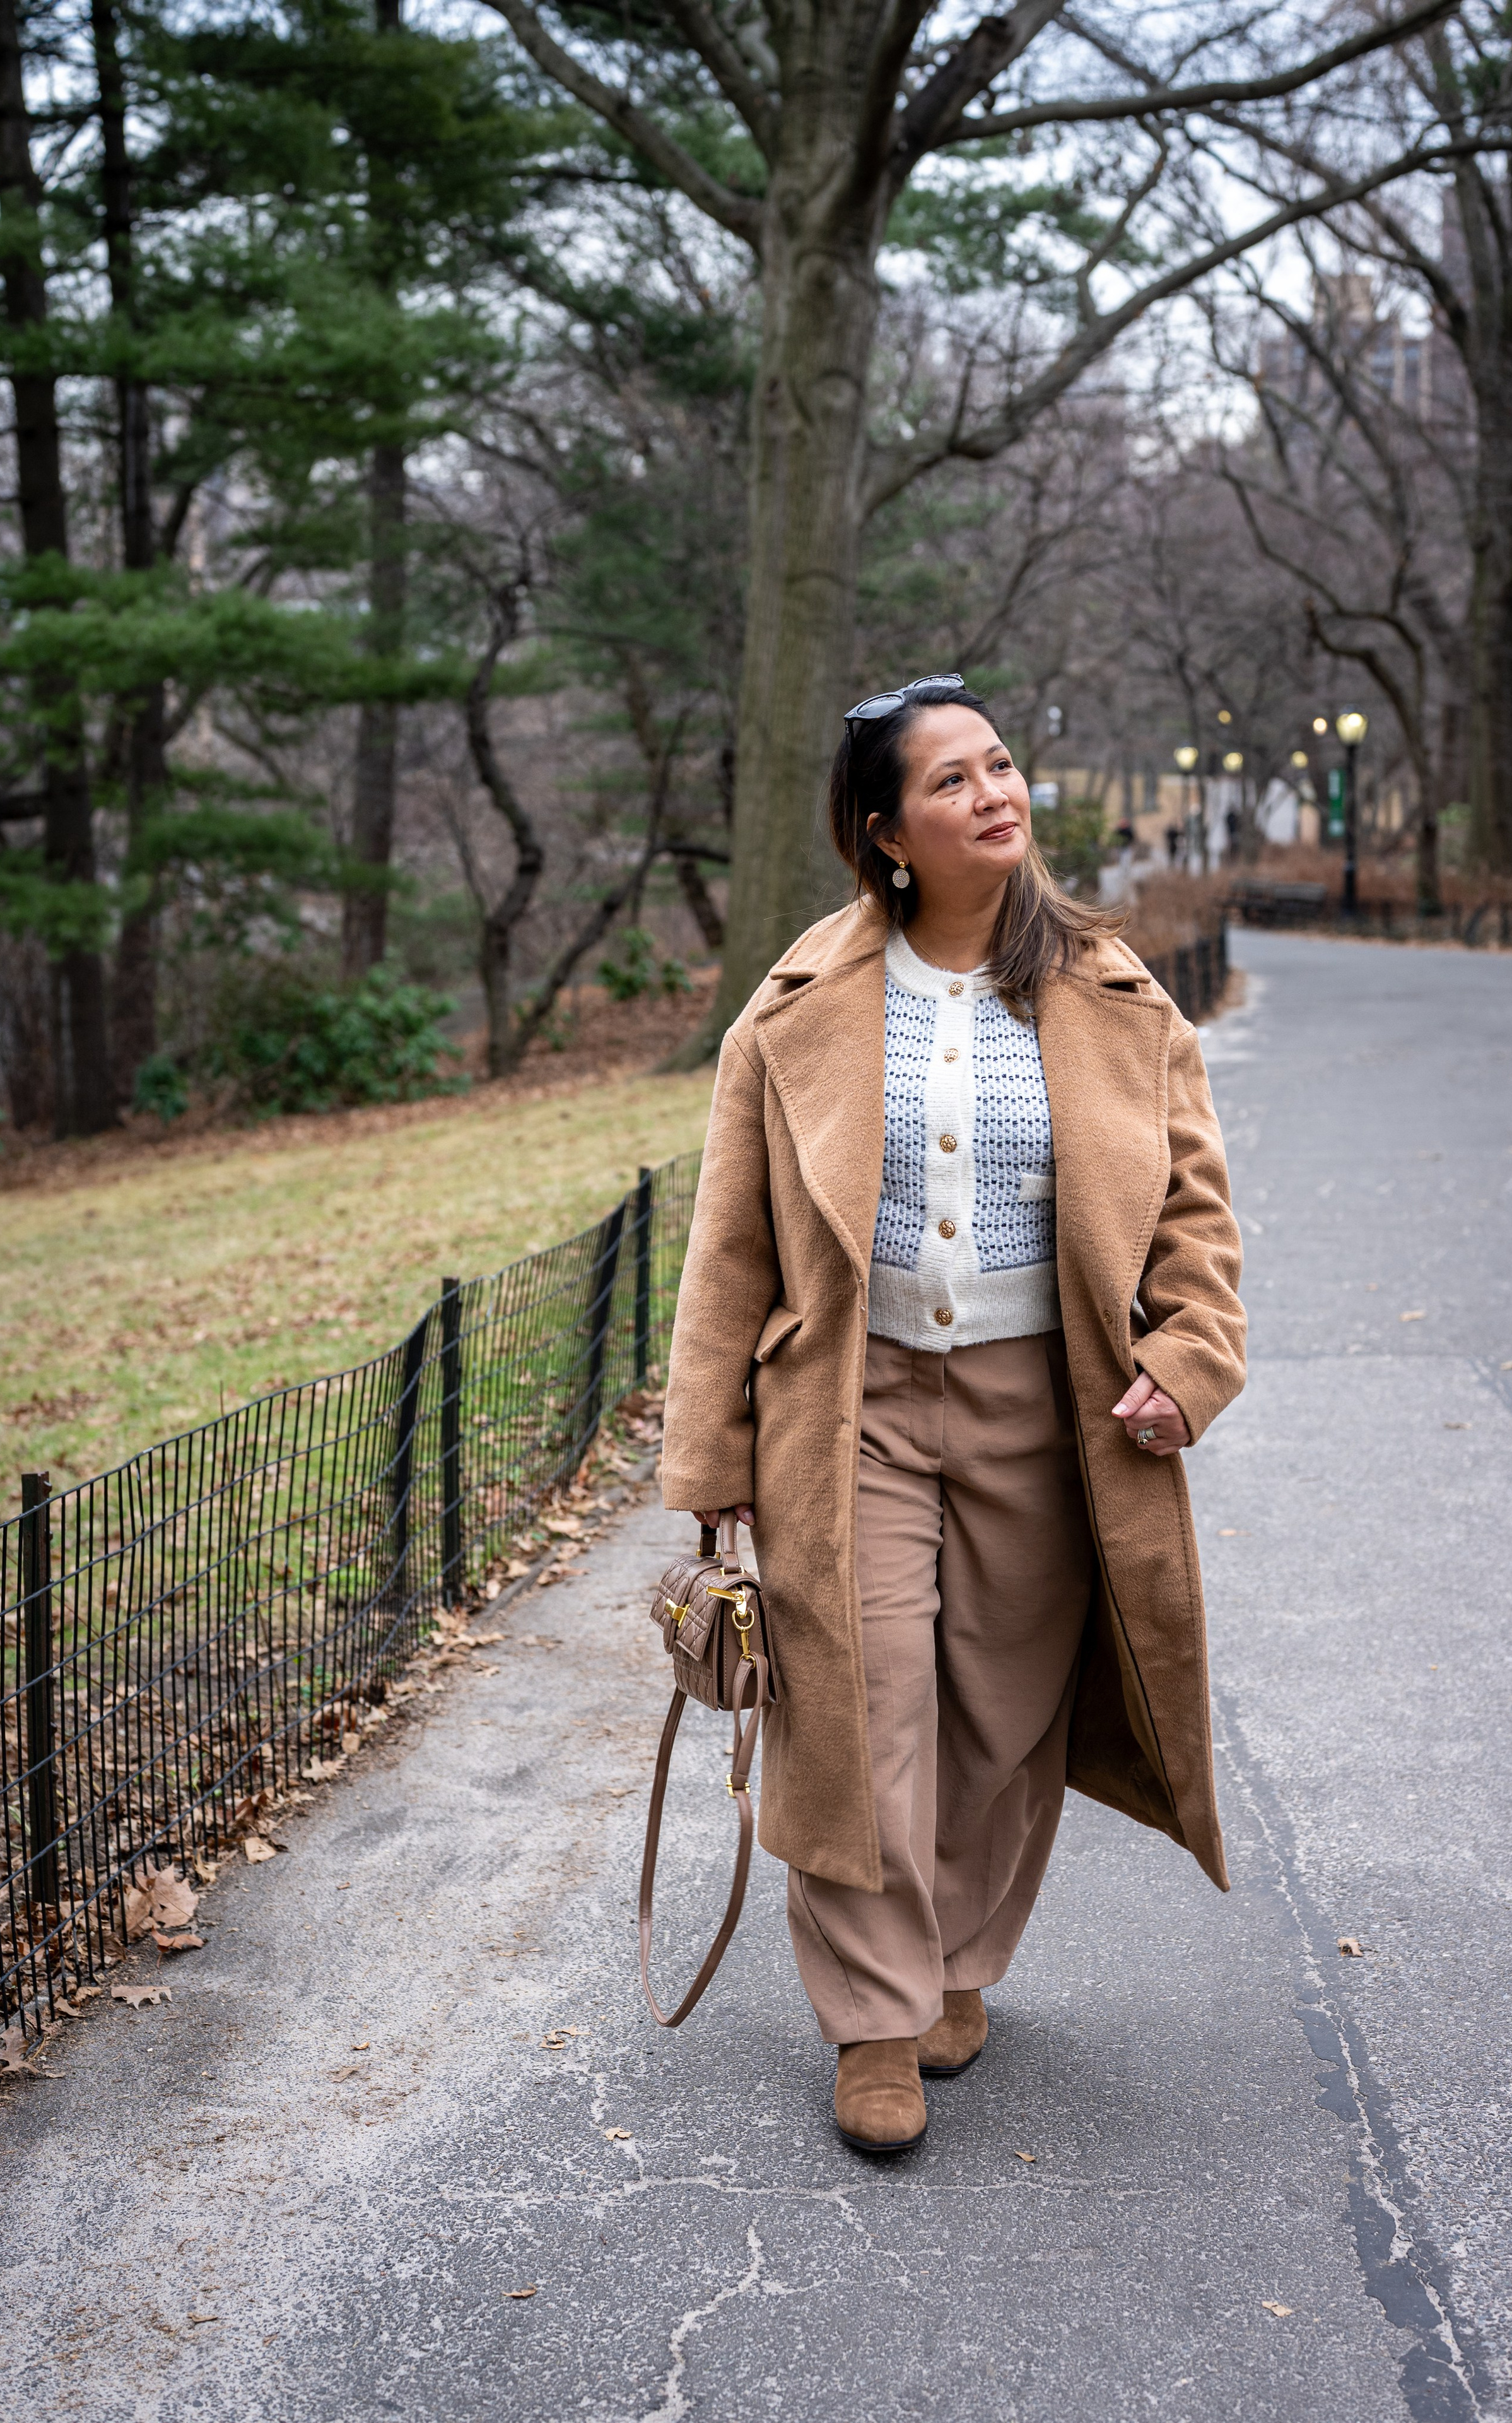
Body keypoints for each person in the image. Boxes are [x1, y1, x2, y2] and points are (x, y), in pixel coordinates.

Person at [660, 674, 1246, 2154]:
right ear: (885, 833)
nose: (993, 794)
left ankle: (956, 1964)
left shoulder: (1114, 993)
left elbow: (1193, 1220)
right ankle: (872, 2017)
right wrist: (710, 1451)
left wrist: (1188, 1359)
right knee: (854, 1711)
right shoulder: (795, 1003)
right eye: (949, 781)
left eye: (998, 766)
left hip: (1045, 1411)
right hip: (844, 1409)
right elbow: (729, 1245)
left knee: (999, 1713)